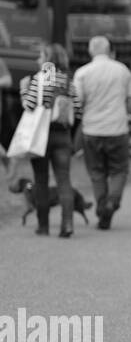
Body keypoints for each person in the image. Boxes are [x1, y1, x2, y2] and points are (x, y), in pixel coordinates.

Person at [73, 36, 131, 230]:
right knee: (119, 170)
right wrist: (126, 114)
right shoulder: (123, 71)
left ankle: (102, 206)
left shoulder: (82, 73)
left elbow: (78, 102)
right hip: (117, 128)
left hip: (92, 129)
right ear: (109, 50)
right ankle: (112, 202)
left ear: (91, 51)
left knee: (97, 172)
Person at [19, 43, 80, 237]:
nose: (38, 60)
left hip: (41, 136)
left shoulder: (40, 79)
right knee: (64, 180)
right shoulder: (68, 82)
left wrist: (23, 90)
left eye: (40, 56)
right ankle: (67, 224)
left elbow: (28, 107)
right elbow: (78, 110)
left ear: (48, 59)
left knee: (41, 180)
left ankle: (43, 226)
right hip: (63, 135)